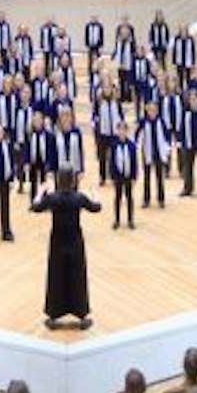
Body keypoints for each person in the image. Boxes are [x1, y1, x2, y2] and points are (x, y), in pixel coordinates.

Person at [33, 171, 101, 330]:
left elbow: (36, 207)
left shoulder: (52, 198)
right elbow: (96, 207)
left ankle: (53, 314)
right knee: (77, 277)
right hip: (75, 241)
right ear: (72, 181)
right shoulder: (79, 198)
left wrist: (40, 192)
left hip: (57, 241)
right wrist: (95, 194)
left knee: (56, 276)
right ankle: (82, 314)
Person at [107, 120, 138, 230]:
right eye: (120, 130)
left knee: (129, 197)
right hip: (118, 175)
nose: (122, 132)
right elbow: (111, 162)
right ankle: (117, 220)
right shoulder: (114, 145)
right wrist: (111, 176)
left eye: (124, 130)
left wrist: (134, 176)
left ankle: (130, 220)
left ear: (127, 131)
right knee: (118, 197)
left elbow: (134, 162)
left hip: (128, 175)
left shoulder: (132, 146)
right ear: (117, 131)